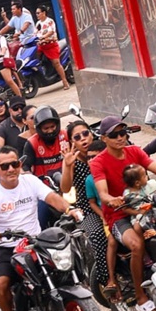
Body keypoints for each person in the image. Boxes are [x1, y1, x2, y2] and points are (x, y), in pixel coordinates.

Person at [0, 146, 81, 311]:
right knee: (1, 283)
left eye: (14, 164)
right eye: (5, 166)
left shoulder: (30, 181)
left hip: (34, 242)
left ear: (20, 164)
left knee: (63, 268)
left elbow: (52, 198)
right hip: (6, 247)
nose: (11, 169)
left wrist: (70, 210)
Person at [90, 116, 156, 311]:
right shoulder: (98, 162)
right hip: (119, 215)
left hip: (146, 207)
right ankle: (141, 297)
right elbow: (102, 192)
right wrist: (111, 199)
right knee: (136, 244)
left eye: (123, 133)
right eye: (115, 135)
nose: (120, 137)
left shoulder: (134, 151)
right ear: (104, 138)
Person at [60, 122, 110, 292]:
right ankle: (107, 280)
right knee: (97, 234)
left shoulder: (103, 149)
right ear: (72, 142)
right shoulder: (71, 160)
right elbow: (65, 188)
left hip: (114, 200)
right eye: (77, 137)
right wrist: (67, 165)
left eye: (85, 134)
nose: (83, 139)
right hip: (89, 208)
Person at [34, 5, 70, 90]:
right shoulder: (38, 23)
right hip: (42, 46)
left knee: (56, 63)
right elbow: (36, 33)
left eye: (38, 13)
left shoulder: (50, 21)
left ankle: (65, 81)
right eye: (36, 13)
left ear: (44, 13)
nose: (37, 15)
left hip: (51, 45)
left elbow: (51, 31)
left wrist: (44, 37)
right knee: (36, 57)